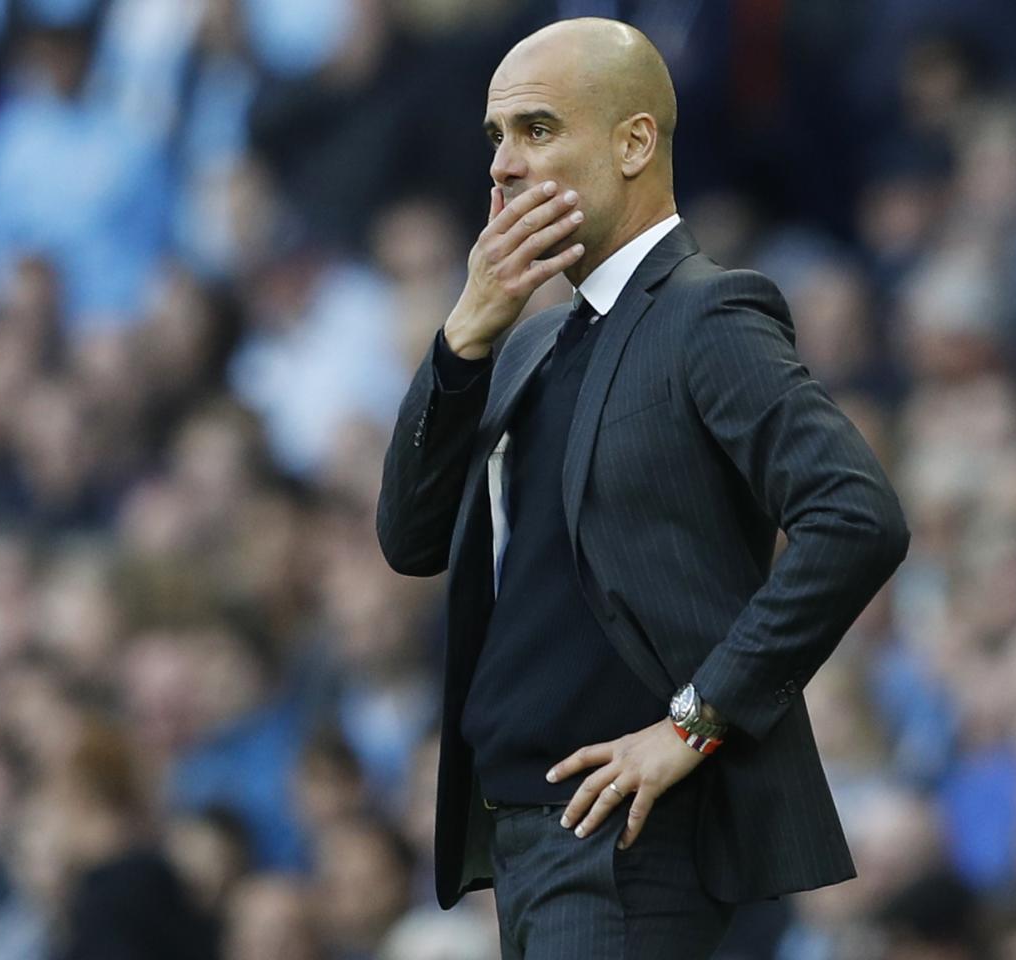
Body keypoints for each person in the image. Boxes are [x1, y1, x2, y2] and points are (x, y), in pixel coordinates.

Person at [375, 18, 910, 958]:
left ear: (633, 143)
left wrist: (696, 721)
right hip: (526, 844)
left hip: (628, 846)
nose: (502, 165)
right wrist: (463, 338)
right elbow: (409, 539)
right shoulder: (532, 340)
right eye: (496, 138)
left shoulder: (709, 312)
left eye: (537, 130)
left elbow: (856, 516)